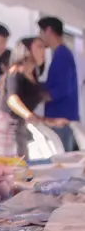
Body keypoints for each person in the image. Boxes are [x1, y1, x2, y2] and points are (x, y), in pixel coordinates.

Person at [0, 38, 50, 157]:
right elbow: (13, 100)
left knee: (22, 166)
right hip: (7, 128)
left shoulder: (33, 74)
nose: (44, 51)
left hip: (19, 125)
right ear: (27, 50)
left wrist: (45, 120)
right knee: (12, 169)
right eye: (39, 46)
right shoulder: (15, 72)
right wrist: (29, 115)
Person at [38, 16, 79, 151]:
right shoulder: (59, 54)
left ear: (49, 31)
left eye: (41, 32)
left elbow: (62, 88)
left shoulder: (63, 55)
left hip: (61, 118)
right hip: (58, 116)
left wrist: (39, 95)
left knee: (62, 160)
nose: (40, 37)